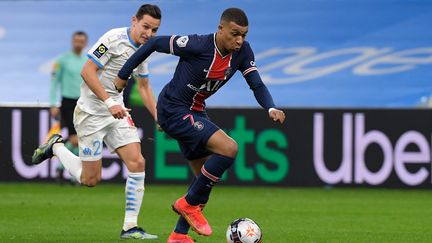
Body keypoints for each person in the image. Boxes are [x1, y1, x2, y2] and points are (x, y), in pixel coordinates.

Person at [115, 7, 286, 242]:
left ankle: (178, 235)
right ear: (221, 29)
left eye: (244, 35)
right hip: (172, 109)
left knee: (204, 182)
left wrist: (271, 107)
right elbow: (154, 44)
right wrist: (123, 75)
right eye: (235, 33)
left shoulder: (243, 52)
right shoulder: (197, 45)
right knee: (229, 148)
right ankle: (186, 204)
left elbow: (256, 84)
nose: (239, 40)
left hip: (194, 111)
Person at [32, 4, 161, 240]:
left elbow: (144, 86)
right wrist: (108, 102)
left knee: (138, 162)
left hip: (118, 112)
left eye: (154, 30)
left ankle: (130, 227)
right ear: (134, 20)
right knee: (90, 180)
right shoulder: (112, 38)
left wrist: (157, 115)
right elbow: (87, 71)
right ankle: (56, 147)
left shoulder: (144, 49)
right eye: (146, 27)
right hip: (91, 113)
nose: (149, 34)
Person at [49, 31, 88, 183]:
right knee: (74, 139)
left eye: (82, 41)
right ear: (72, 42)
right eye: (76, 40)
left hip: (84, 102)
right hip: (68, 103)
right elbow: (54, 82)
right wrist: (53, 103)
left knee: (80, 139)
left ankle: (61, 169)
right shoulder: (62, 60)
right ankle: (73, 174)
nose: (79, 43)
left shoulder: (88, 60)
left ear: (85, 43)